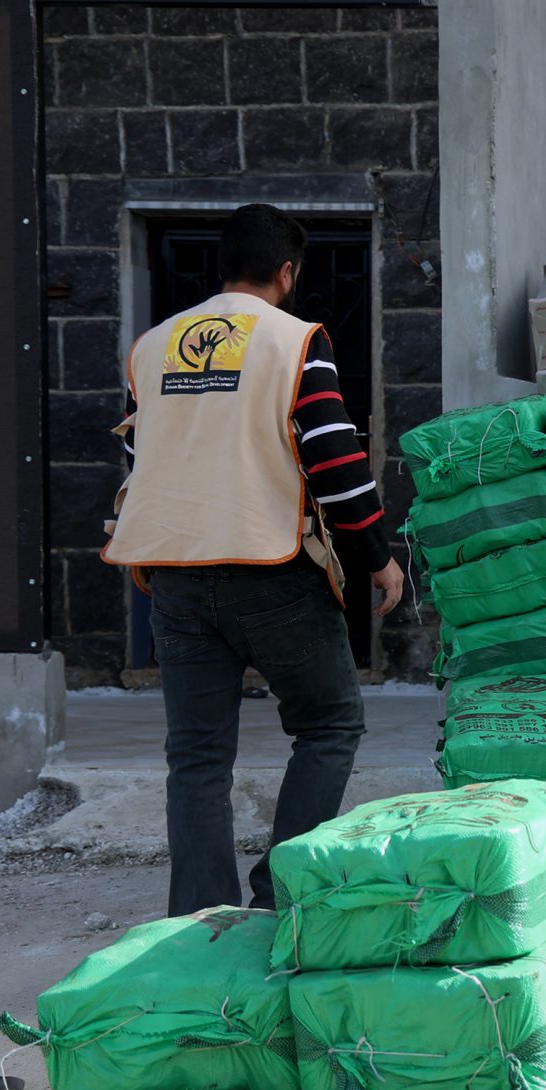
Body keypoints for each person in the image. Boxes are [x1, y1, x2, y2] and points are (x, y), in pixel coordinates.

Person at [103, 204, 407, 917]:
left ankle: (202, 921)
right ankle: (280, 896)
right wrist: (376, 557)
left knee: (197, 757)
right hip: (272, 571)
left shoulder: (154, 347)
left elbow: (138, 456)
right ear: (287, 273)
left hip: (175, 576)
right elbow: (334, 460)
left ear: (222, 268)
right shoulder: (294, 341)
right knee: (329, 724)